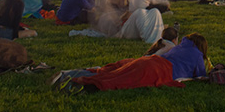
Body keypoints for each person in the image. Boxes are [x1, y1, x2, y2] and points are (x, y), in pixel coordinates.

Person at [63, 33, 209, 91]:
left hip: (151, 61)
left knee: (116, 72)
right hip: (160, 70)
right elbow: (201, 75)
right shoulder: (197, 54)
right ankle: (78, 85)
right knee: (119, 81)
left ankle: (73, 74)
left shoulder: (179, 47)